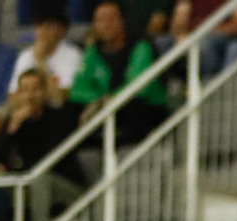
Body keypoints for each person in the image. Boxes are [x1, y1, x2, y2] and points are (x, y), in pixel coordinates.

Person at [68, 1, 167, 144]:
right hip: (108, 107)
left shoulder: (140, 46)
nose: (106, 25)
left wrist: (108, 101)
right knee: (68, 110)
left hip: (146, 108)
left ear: (122, 21)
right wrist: (99, 100)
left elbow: (139, 88)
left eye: (111, 19)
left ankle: (128, 153)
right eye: (100, 20)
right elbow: (77, 89)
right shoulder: (93, 51)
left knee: (134, 107)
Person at [8, 7, 81, 99]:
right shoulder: (25, 55)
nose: (43, 30)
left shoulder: (73, 54)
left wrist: (40, 61)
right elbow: (12, 95)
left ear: (62, 30)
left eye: (49, 26)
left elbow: (61, 97)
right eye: (39, 25)